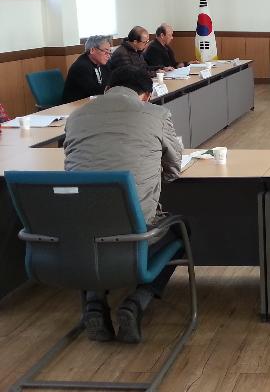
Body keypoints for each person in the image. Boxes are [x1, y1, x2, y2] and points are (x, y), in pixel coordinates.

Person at [63, 66, 184, 344]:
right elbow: (174, 169)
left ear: (107, 89)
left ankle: (94, 301)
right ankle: (137, 301)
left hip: (80, 235)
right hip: (135, 232)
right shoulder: (157, 115)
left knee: (96, 230)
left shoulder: (76, 117)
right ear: (147, 96)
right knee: (180, 232)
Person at [62, 35, 113, 103]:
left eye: (109, 52)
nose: (108, 56)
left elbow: (111, 83)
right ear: (92, 50)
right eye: (105, 52)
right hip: (75, 105)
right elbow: (95, 91)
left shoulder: (105, 64)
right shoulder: (81, 67)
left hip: (94, 102)